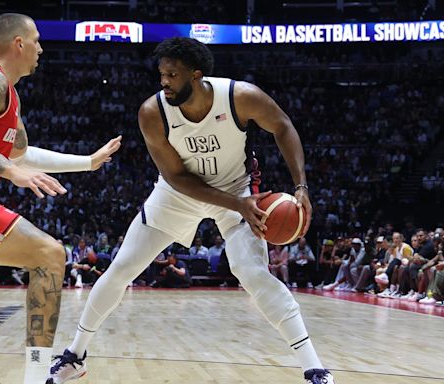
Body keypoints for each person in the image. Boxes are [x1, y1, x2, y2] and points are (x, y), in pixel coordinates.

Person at [49, 37, 333, 384]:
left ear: (196, 75)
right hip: (179, 193)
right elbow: (176, 176)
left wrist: (301, 186)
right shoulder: (152, 113)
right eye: (161, 74)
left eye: (172, 74)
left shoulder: (240, 97)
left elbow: (283, 126)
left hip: (236, 187)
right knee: (122, 268)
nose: (164, 82)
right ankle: (75, 355)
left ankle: (314, 368)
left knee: (252, 273)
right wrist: (237, 206)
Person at [0, 13, 121, 384]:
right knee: (49, 255)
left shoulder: (10, 97)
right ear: (18, 43)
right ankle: (38, 377)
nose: (41, 48)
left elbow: (22, 155)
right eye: (35, 39)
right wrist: (10, 172)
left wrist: (87, 162)